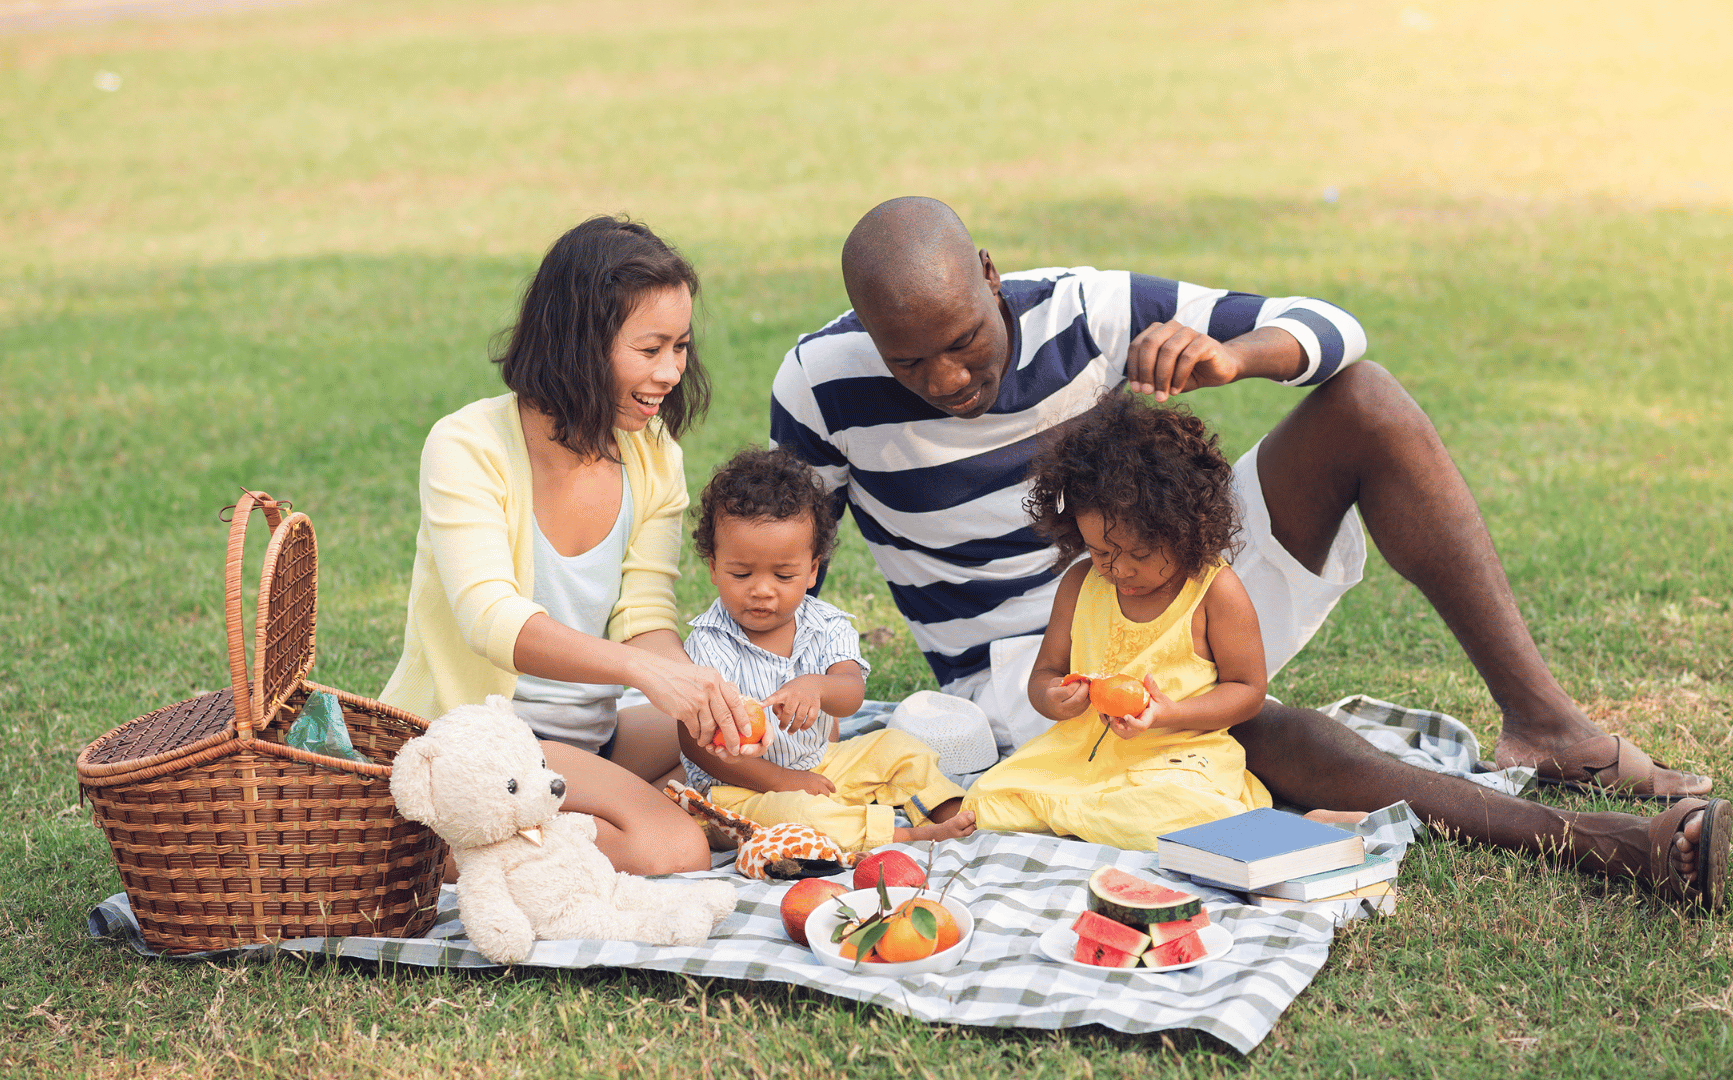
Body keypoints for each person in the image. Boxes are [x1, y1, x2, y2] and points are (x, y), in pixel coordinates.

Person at [769, 196, 1730, 907]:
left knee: (1367, 400)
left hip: (1169, 582)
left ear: (989, 273)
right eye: (909, 359)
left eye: (964, 341)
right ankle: (1602, 844)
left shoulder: (1085, 308)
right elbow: (792, 560)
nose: (945, 379)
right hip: (1033, 678)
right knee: (1263, 735)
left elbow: (1336, 329)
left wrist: (1235, 357)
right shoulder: (819, 382)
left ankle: (1547, 726)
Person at [382, 216, 765, 876]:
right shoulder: (467, 446)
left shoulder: (653, 458)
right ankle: (436, 848)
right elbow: (489, 619)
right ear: (580, 344)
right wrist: (641, 673)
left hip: (587, 736)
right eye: (650, 350)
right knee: (676, 847)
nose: (672, 370)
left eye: (681, 346)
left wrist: (691, 688)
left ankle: (534, 826)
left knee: (738, 758)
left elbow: (643, 615)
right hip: (486, 741)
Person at [964, 394, 1275, 850]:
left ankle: (1085, 819)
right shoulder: (1081, 584)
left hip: (1177, 757)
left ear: (1185, 529)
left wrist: (1170, 713)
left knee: (1187, 811)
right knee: (985, 801)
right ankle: (1091, 816)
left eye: (1140, 555)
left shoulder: (1214, 591)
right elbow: (1044, 675)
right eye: (1101, 551)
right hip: (1082, 755)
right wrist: (1055, 698)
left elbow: (1248, 691)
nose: (1119, 570)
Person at [676, 447, 978, 849]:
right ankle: (901, 834)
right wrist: (784, 782)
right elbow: (692, 743)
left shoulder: (826, 624)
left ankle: (947, 808)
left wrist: (816, 687)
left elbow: (851, 694)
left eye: (784, 575)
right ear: (714, 567)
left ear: (813, 569)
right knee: (799, 818)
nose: (762, 590)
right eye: (741, 573)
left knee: (896, 746)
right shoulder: (708, 644)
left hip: (822, 763)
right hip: (743, 792)